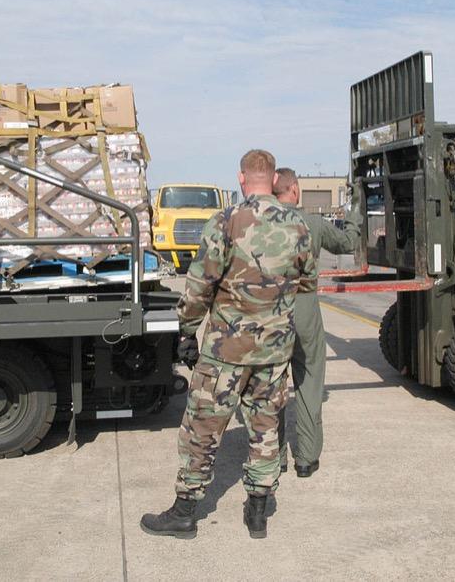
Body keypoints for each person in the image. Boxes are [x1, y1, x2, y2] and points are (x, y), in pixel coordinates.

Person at [140, 149, 316, 540]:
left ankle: (185, 512)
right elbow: (307, 283)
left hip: (226, 351)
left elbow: (200, 285)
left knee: (203, 426)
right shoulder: (298, 225)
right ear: (274, 180)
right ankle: (258, 512)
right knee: (266, 427)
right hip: (273, 351)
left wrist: (186, 330)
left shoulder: (225, 220)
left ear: (241, 178)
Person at [272, 168, 362, 478]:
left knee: (272, 384)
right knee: (310, 379)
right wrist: (355, 210)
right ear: (295, 189)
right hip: (305, 307)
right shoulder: (313, 223)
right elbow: (348, 243)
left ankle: (275, 458)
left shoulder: (261, 223)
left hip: (271, 309)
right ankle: (306, 459)